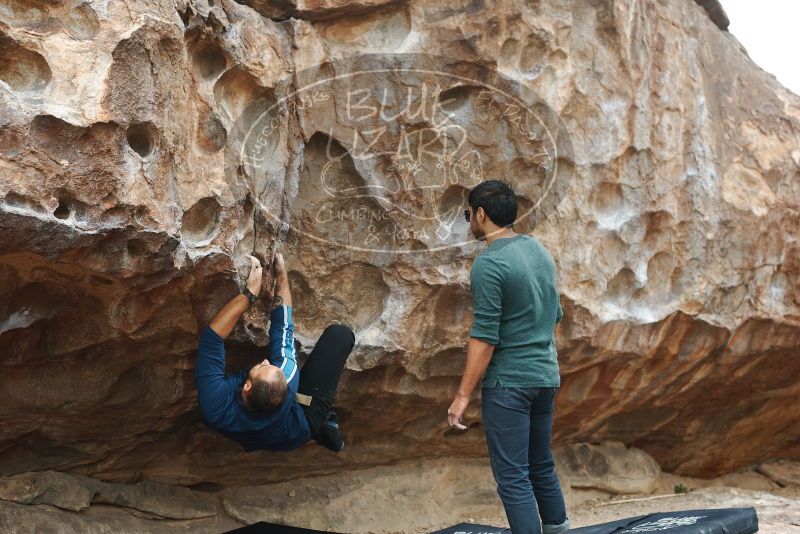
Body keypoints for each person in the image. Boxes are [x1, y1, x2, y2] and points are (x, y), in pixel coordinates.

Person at [448, 180, 570, 534]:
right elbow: (556, 314)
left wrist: (462, 395)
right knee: (540, 465)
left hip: (510, 385)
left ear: (481, 215)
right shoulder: (538, 251)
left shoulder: (490, 265)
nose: (469, 220)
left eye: (468, 214)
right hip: (545, 377)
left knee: (514, 477)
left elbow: (485, 337)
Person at [195, 253, 355, 453]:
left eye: (264, 366)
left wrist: (249, 294)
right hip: (294, 431)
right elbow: (283, 329)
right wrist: (282, 277)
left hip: (284, 428)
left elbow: (212, 338)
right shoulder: (286, 377)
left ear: (247, 386)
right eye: (267, 365)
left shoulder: (214, 405)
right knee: (341, 335)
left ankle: (323, 428)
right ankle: (325, 426)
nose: (264, 360)